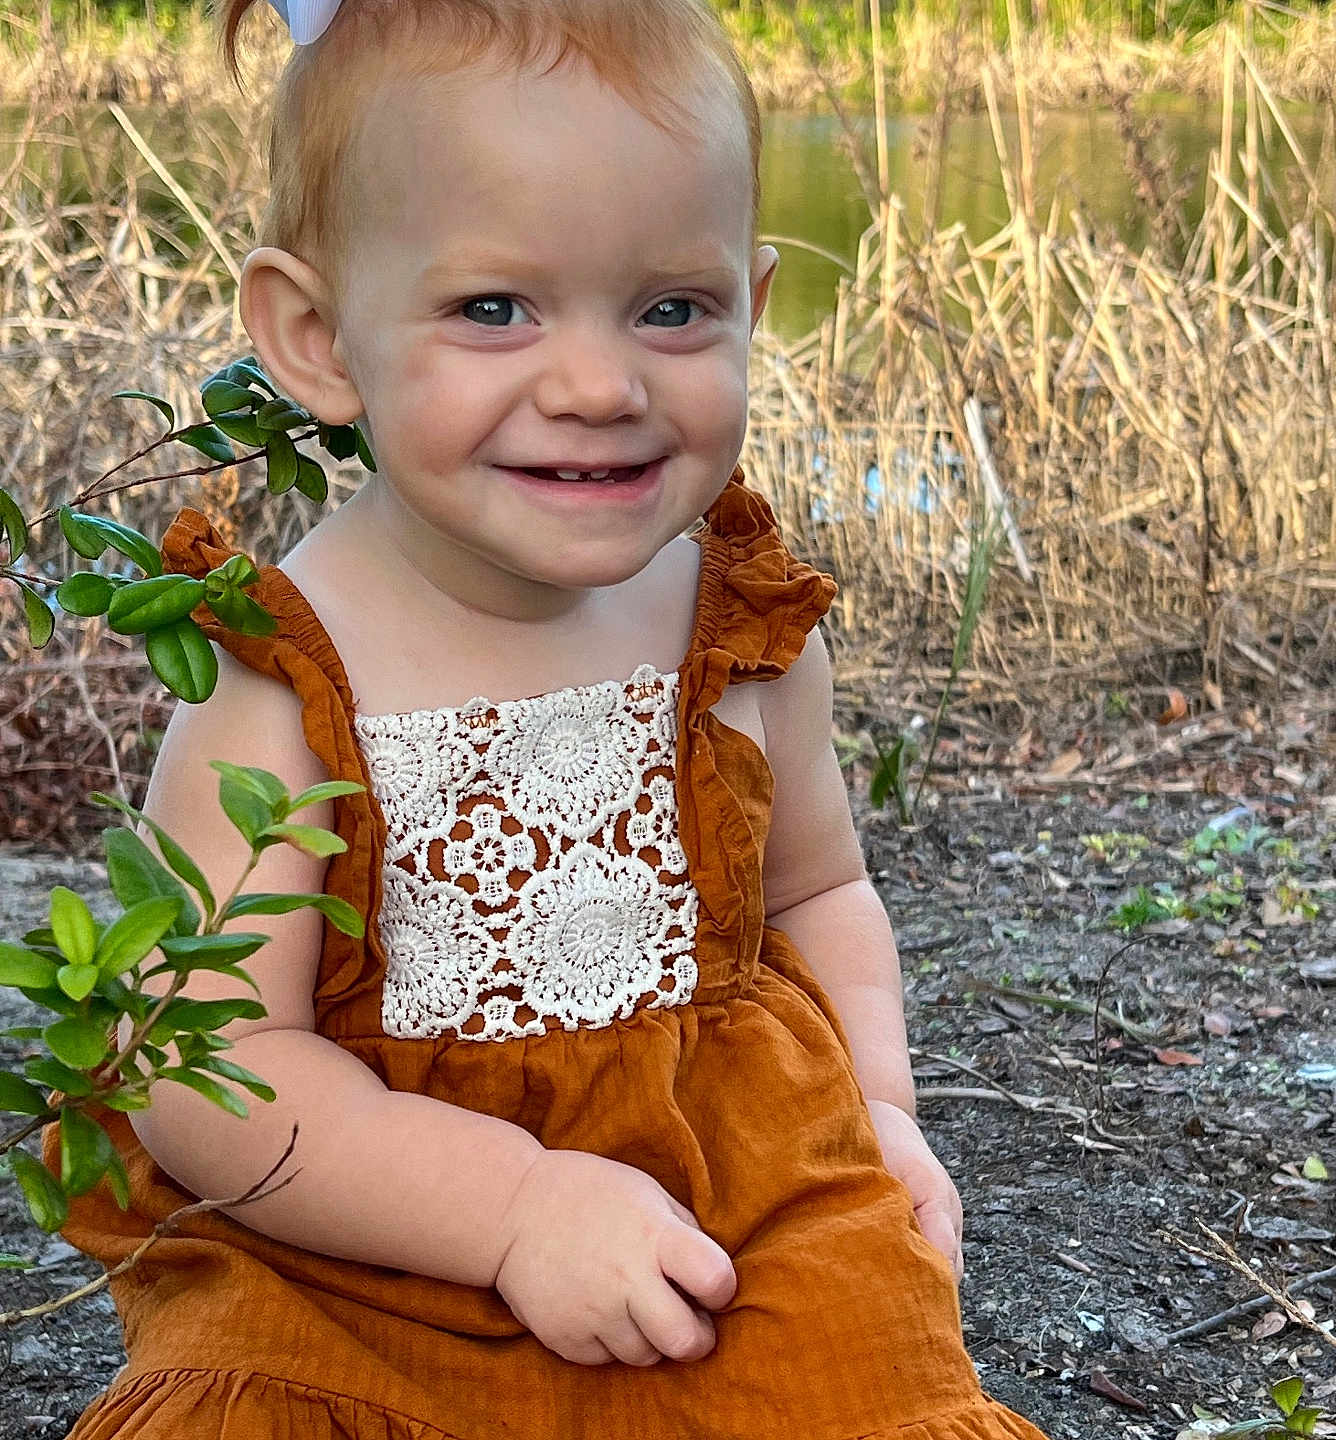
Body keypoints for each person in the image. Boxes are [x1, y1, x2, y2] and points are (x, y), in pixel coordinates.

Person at [50, 2, 1053, 1436]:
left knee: (863, 1379)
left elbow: (822, 893)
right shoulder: (285, 677)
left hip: (727, 1203)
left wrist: (881, 1112)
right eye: (494, 309)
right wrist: (514, 1208)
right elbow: (204, 1073)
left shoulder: (738, 627)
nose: (599, 387)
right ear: (318, 338)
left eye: (671, 310)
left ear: (753, 305)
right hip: (362, 1245)